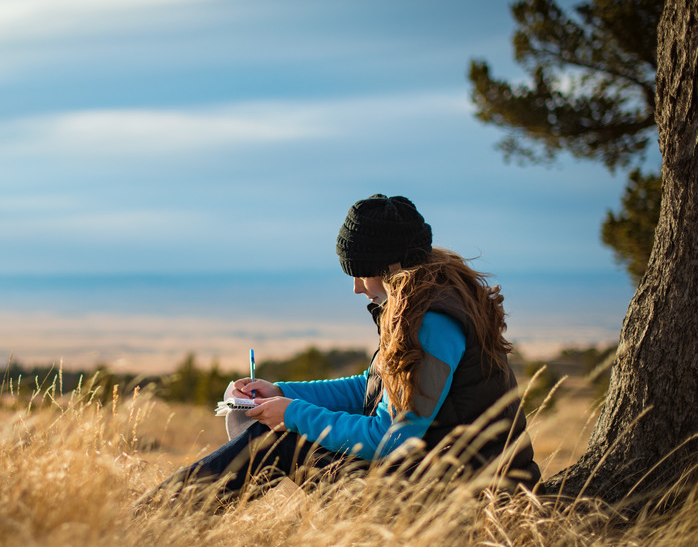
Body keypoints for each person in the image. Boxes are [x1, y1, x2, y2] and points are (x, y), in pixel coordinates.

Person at [151, 194, 542, 505]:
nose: (356, 287)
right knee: (274, 429)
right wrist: (283, 393)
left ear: (392, 267)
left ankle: (157, 520)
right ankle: (163, 516)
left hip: (467, 500)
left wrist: (294, 415)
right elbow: (372, 389)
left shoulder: (431, 322)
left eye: (361, 272)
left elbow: (392, 438)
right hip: (437, 480)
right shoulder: (428, 303)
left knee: (277, 441)